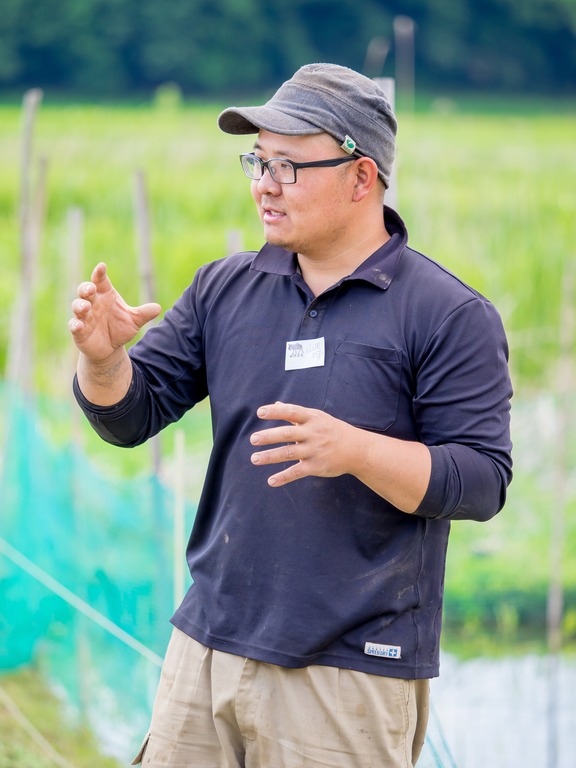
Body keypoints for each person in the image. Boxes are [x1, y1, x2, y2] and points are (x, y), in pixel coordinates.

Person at [69, 63, 513, 768]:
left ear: (362, 177)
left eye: (288, 166)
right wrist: (102, 363)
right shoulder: (226, 287)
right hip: (205, 648)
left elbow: (483, 481)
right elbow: (132, 415)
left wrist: (357, 451)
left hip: (347, 672)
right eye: (257, 161)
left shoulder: (448, 314)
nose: (264, 184)